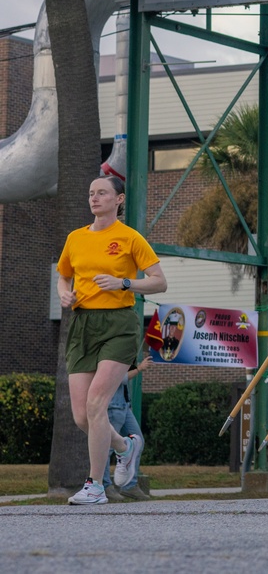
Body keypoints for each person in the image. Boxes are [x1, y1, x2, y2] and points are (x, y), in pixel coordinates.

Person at [58, 175, 167, 505]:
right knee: (81, 416)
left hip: (119, 324)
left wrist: (123, 283)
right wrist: (65, 294)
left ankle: (94, 486)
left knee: (96, 403)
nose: (94, 198)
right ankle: (125, 446)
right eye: (91, 193)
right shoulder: (75, 238)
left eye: (102, 192)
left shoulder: (130, 238)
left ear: (118, 200)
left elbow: (159, 282)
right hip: (81, 324)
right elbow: (63, 274)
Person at [101, 356, 154, 501]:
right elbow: (118, 378)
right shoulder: (110, 354)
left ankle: (129, 485)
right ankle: (105, 486)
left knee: (137, 441)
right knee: (107, 448)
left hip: (124, 405)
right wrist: (139, 369)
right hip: (113, 406)